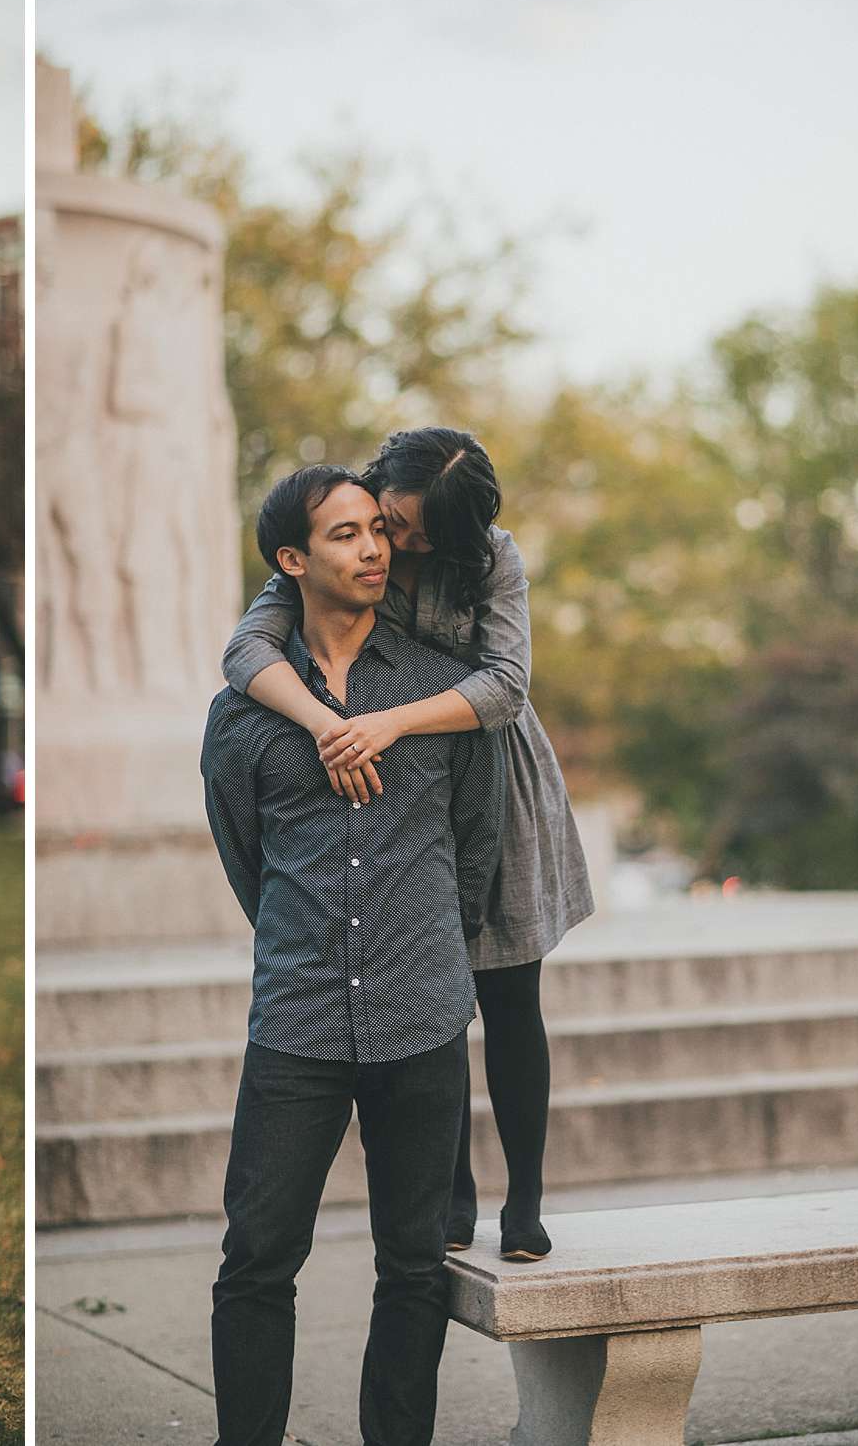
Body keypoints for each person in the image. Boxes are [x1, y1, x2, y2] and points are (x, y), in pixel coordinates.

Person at [220, 427, 592, 1262]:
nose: (400, 544)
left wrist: (387, 721)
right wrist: (329, 725)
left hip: (489, 760)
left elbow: (505, 683)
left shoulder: (492, 557)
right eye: (396, 521)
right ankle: (450, 1192)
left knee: (510, 990)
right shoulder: (343, 536)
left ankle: (524, 1199)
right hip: (393, 775)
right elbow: (246, 650)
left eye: (421, 534)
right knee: (435, 992)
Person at [202, 465, 503, 1446]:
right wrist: (303, 934)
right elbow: (246, 859)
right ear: (291, 558)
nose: (372, 548)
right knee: (255, 1257)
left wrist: (434, 949)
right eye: (343, 534)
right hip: (296, 1020)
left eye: (376, 528)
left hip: (420, 1014)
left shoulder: (438, 693)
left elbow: (475, 842)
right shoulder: (245, 716)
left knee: (412, 1266)